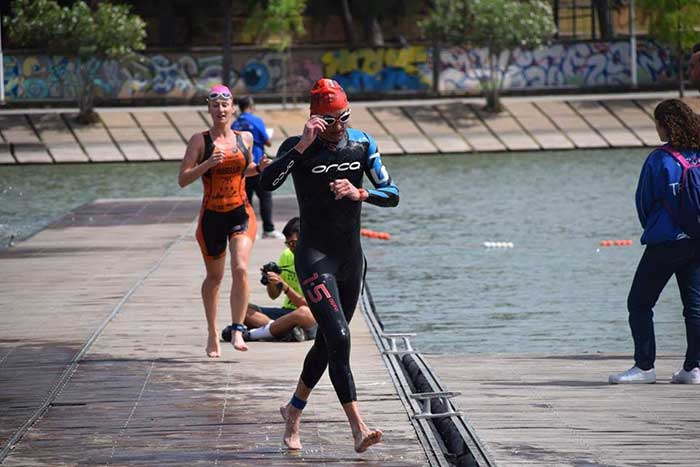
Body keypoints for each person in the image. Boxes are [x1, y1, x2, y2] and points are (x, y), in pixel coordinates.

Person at [260, 78, 400, 452]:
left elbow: (394, 194)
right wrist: (303, 145)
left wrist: (361, 193)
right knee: (338, 336)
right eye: (330, 121)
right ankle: (358, 427)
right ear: (315, 120)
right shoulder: (297, 147)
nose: (339, 127)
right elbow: (267, 182)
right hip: (315, 258)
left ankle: (293, 410)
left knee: (327, 342)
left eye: (344, 118)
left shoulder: (362, 143)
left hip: (351, 260)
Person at [609, 98, 700, 385]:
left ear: (666, 124)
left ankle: (645, 367)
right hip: (697, 241)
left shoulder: (659, 160)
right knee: (695, 307)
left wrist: (657, 227)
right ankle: (693, 368)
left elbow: (644, 202)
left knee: (639, 302)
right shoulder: (698, 156)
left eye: (657, 122)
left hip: (666, 243)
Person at [178, 84, 270, 357]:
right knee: (214, 278)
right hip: (212, 217)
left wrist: (261, 168)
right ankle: (211, 332)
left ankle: (238, 328)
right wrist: (208, 164)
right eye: (215, 105)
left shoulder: (245, 138)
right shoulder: (200, 141)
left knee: (240, 267)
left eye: (225, 105)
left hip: (240, 211)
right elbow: (183, 179)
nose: (220, 110)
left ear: (232, 109)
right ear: (209, 108)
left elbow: (247, 170)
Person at [240, 217, 318, 341]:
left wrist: (285, 287)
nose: (291, 248)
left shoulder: (317, 263)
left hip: (312, 316)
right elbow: (273, 295)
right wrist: (271, 281)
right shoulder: (287, 255)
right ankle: (284, 331)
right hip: (287, 313)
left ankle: (252, 334)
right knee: (241, 309)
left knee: (303, 312)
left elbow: (309, 306)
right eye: (288, 243)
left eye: (293, 243)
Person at [232, 96, 284, 240]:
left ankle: (246, 229)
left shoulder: (234, 123)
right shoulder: (256, 121)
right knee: (265, 197)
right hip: (257, 166)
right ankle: (268, 230)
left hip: (242, 168)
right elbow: (267, 142)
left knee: (245, 199)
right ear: (250, 105)